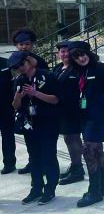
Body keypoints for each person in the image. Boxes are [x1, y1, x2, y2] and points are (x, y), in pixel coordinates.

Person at [67, 41, 104, 207]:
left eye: (82, 54)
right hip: (85, 116)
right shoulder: (77, 71)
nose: (81, 58)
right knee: (97, 150)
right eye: (76, 56)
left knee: (89, 150)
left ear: (88, 53)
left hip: (98, 116)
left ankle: (94, 190)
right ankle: (103, 186)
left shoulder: (100, 68)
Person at [9, 51, 60, 205]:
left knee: (48, 156)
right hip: (29, 125)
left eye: (22, 64)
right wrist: (18, 97)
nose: (20, 68)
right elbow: (15, 106)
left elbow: (56, 99)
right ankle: (36, 187)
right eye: (16, 67)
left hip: (48, 123)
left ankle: (50, 188)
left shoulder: (47, 76)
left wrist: (36, 93)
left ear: (29, 61)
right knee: (34, 157)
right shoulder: (19, 80)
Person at [54, 40, 85, 185]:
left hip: (74, 110)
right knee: (68, 138)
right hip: (61, 110)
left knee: (73, 138)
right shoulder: (58, 68)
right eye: (62, 51)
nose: (65, 54)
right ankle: (75, 165)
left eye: (67, 51)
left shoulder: (77, 69)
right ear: (58, 53)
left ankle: (78, 169)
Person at [0, 51, 14, 174]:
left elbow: (12, 84)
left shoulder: (6, 63)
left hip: (5, 107)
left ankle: (9, 163)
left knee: (7, 136)